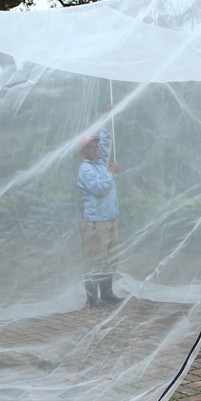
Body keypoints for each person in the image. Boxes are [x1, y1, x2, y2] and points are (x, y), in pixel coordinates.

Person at [77, 113, 125, 308]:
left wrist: (108, 119)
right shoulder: (86, 169)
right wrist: (111, 172)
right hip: (97, 222)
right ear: (84, 153)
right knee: (95, 260)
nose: (96, 149)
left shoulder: (100, 164)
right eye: (91, 147)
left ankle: (107, 293)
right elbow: (100, 189)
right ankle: (92, 298)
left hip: (111, 219)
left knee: (110, 258)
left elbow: (106, 142)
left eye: (96, 146)